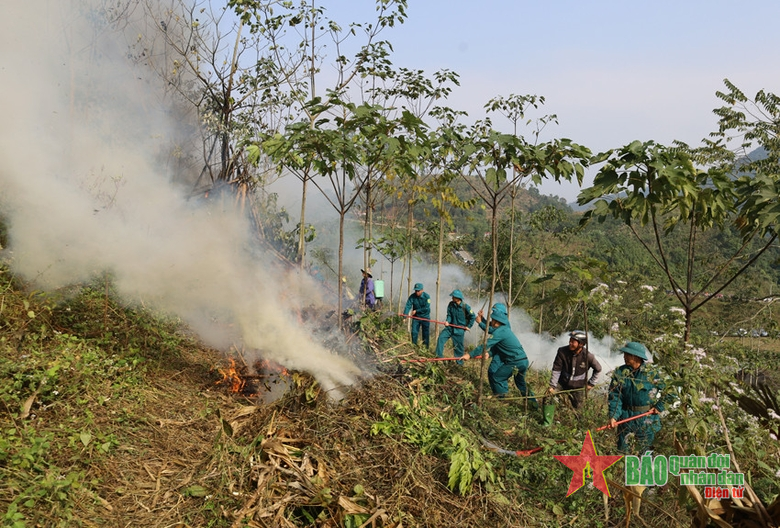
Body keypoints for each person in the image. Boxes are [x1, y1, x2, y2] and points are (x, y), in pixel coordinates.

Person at [463, 306, 536, 406]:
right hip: (523, 361)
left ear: (497, 321)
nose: (491, 321)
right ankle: (533, 404)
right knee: (521, 383)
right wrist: (482, 320)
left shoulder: (500, 332)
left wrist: (470, 355)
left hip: (514, 362)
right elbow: (494, 334)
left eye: (492, 319)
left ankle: (502, 402)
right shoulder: (503, 328)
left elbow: (486, 344)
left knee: (497, 377)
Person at [608, 341, 666, 455]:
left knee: (645, 453)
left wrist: (659, 407)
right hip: (625, 417)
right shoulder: (620, 372)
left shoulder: (651, 373)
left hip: (646, 419)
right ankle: (622, 472)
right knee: (622, 452)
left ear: (636, 357)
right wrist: (613, 416)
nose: (624, 357)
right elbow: (615, 396)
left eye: (627, 355)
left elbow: (670, 392)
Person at [547, 330, 602, 409]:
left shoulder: (588, 356)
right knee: (548, 397)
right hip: (562, 382)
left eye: (573, 342)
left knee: (578, 408)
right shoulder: (562, 351)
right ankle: (548, 420)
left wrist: (591, 384)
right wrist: (552, 386)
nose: (570, 343)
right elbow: (556, 369)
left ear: (581, 344)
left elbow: (598, 369)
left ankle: (579, 420)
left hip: (578, 386)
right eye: (570, 341)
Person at [434, 289, 476, 363]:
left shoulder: (465, 307)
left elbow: (473, 316)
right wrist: (447, 321)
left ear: (458, 298)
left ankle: (459, 364)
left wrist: (468, 326)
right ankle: (439, 357)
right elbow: (449, 315)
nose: (452, 298)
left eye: (453, 297)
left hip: (459, 330)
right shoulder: (451, 304)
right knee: (441, 338)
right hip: (450, 327)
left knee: (458, 348)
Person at [403, 282, 432, 347]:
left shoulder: (427, 297)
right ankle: (414, 347)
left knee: (425, 334)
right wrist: (405, 316)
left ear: (422, 290)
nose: (417, 292)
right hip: (416, 318)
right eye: (416, 290)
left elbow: (427, 308)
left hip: (425, 317)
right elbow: (408, 306)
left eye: (418, 291)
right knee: (414, 332)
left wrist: (417, 311)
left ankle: (425, 348)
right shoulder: (412, 297)